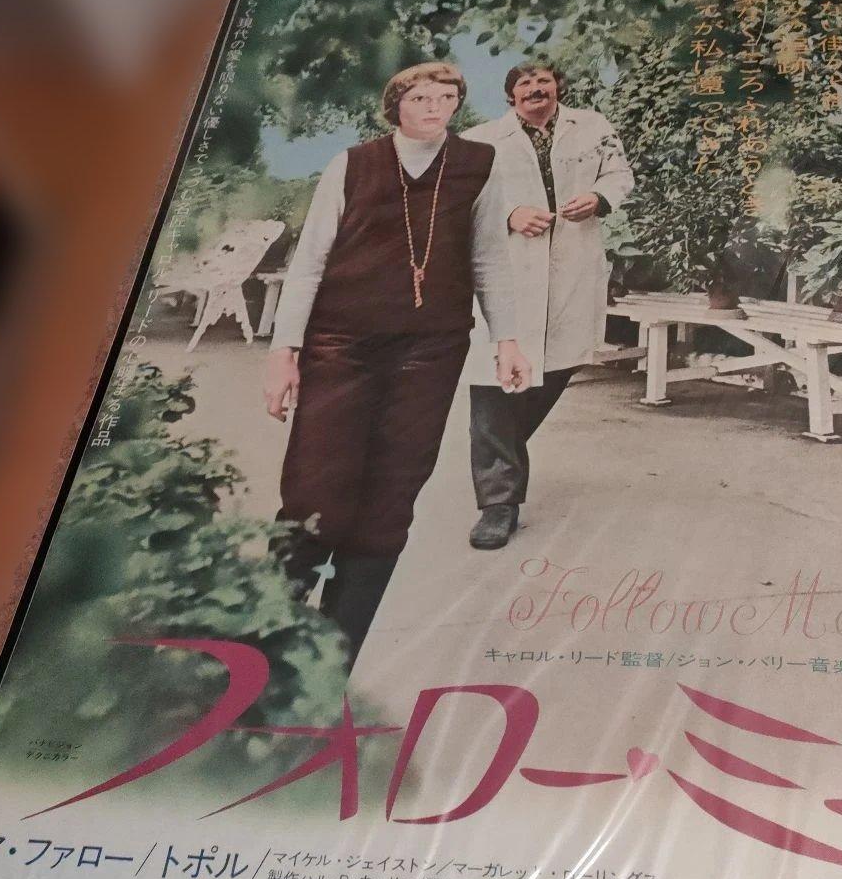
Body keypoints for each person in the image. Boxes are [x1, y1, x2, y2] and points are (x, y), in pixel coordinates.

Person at [262, 61, 531, 659]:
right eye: (421, 97)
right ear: (395, 106)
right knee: (314, 492)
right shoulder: (352, 164)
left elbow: (488, 257)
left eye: (447, 97)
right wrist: (284, 353)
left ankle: (333, 659)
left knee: (391, 499)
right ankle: (267, 644)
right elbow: (308, 264)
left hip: (431, 351)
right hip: (341, 345)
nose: (435, 107)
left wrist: (507, 339)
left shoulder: (478, 165)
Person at [461, 62, 634, 549]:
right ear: (510, 96)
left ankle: (502, 459)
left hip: (570, 266)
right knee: (493, 383)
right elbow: (458, 198)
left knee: (557, 365)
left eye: (544, 81)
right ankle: (498, 504)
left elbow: (620, 174)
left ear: (558, 87)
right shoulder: (480, 139)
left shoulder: (593, 127)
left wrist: (599, 197)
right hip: (506, 271)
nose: (536, 89)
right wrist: (510, 213)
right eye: (524, 83)